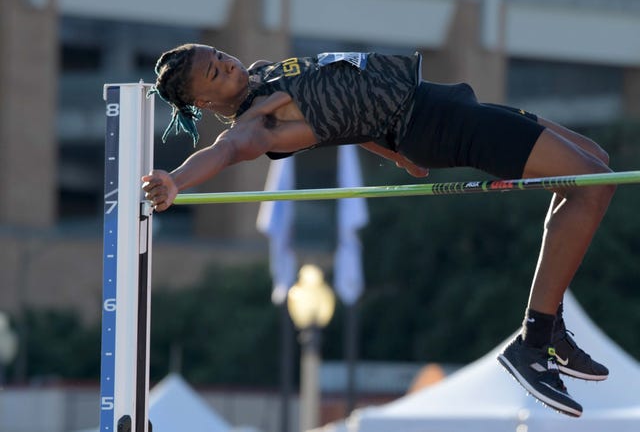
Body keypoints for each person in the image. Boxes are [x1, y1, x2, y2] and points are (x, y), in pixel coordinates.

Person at [142, 43, 615, 417]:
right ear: (204, 101)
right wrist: (175, 181)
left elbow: (348, 111)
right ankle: (535, 340)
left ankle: (548, 330)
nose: (230, 67)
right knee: (590, 187)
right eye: (216, 74)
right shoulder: (256, 125)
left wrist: (396, 156)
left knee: (596, 161)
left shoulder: (266, 74)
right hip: (439, 123)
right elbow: (222, 152)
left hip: (440, 102)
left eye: (222, 57)